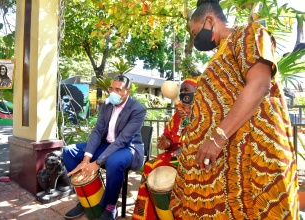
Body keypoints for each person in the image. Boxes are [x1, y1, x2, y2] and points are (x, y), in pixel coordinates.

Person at [169, 0, 299, 219]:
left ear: (209, 21)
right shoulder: (219, 54)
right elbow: (225, 99)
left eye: (195, 31)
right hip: (218, 163)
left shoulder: (250, 33)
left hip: (247, 153)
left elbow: (259, 85)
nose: (195, 38)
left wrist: (217, 137)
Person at [62, 75, 146, 220]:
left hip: (128, 148)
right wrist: (86, 159)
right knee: (69, 152)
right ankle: (86, 197)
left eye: (118, 90)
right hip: (107, 144)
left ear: (127, 92)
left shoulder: (138, 109)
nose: (113, 93)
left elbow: (122, 140)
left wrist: (97, 163)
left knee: (114, 161)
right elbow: (98, 131)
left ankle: (110, 207)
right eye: (111, 89)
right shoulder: (107, 104)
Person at [132, 77, 199, 220]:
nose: (182, 94)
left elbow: (205, 137)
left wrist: (186, 148)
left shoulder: (204, 113)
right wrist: (166, 142)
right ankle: (148, 215)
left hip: (194, 156)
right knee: (150, 165)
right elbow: (169, 136)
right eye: (181, 91)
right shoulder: (177, 115)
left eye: (187, 90)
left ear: (197, 93)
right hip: (174, 156)